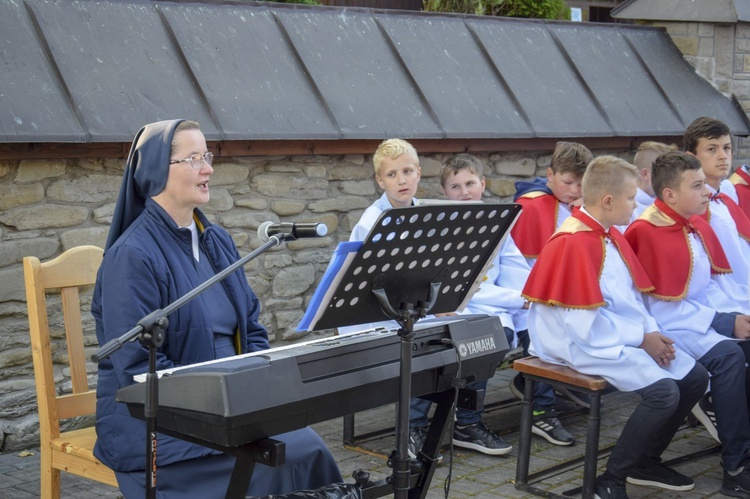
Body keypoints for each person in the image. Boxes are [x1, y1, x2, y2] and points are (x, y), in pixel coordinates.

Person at [92, 120, 342, 498]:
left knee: (308, 450)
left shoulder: (217, 241)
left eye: (206, 156)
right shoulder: (131, 257)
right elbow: (137, 370)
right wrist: (220, 407)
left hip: (232, 406)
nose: (208, 168)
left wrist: (259, 393)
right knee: (281, 459)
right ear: (157, 171)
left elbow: (252, 328)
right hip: (163, 426)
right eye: (193, 159)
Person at [523, 155, 709, 499]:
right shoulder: (573, 242)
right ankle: (610, 480)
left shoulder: (608, 234)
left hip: (611, 333)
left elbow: (632, 300)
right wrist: (641, 339)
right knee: (663, 393)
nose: (636, 204)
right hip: (573, 342)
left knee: (694, 377)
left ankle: (646, 460)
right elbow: (582, 325)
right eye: (630, 198)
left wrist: (652, 334)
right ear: (608, 201)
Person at [624, 151, 750, 499]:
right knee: (728, 358)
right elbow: (660, 306)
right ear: (670, 195)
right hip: (666, 327)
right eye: (696, 186)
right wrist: (724, 322)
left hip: (696, 320)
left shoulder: (693, 223)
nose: (707, 191)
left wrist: (737, 314)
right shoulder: (646, 231)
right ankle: (736, 467)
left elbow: (709, 287)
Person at [507, 141, 594, 445]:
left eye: (581, 183)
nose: (574, 189)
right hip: (526, 296)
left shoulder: (581, 207)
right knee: (541, 334)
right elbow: (521, 265)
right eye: (568, 182)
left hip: (563, 295)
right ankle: (541, 411)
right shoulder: (531, 207)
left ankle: (554, 383)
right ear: (550, 175)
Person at [435, 153, 522, 456]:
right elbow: (464, 289)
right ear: (444, 193)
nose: (464, 192)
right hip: (458, 308)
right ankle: (467, 423)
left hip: (496, 307)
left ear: (483, 184)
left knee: (532, 330)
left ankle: (540, 407)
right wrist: (513, 299)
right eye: (455, 187)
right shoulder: (443, 227)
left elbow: (515, 268)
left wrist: (525, 297)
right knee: (484, 342)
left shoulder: (500, 222)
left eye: (469, 183)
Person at [684, 117, 750, 303]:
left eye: (727, 148)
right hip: (725, 299)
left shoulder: (725, 198)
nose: (723, 156)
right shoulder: (691, 209)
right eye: (712, 149)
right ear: (691, 157)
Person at [631, 141, 677, 220]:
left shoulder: (667, 200)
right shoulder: (627, 209)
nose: (673, 179)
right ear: (645, 174)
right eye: (666, 173)